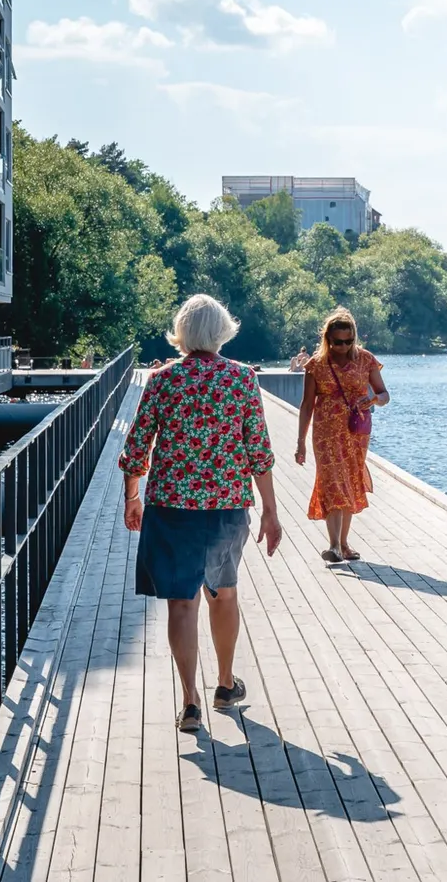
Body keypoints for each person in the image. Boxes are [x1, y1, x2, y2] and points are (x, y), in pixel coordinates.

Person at [119, 294, 282, 734]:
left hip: (172, 507)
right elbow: (258, 453)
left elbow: (137, 448)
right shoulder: (243, 380)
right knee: (224, 593)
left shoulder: (161, 381)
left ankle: (190, 701)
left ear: (182, 332)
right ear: (222, 331)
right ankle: (225, 684)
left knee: (181, 603)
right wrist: (270, 510)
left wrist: (132, 496)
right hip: (227, 507)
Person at [296, 308, 389, 562]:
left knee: (348, 481)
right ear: (328, 339)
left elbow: (384, 395)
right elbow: (306, 405)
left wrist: (373, 400)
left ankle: (344, 544)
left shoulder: (366, 360)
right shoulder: (315, 365)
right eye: (338, 342)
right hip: (325, 433)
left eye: (349, 341)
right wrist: (300, 442)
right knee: (332, 482)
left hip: (355, 432)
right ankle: (335, 545)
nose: (344, 346)